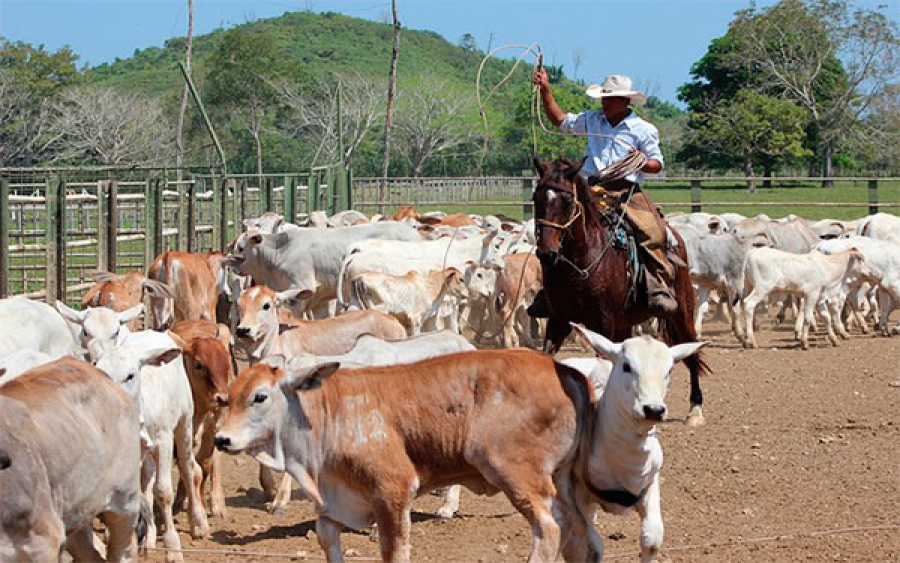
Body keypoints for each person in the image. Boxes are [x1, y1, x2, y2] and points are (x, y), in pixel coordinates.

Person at [527, 69, 678, 317]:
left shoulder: (642, 129)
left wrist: (639, 161)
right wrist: (545, 89)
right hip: (589, 190)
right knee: (558, 228)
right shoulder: (592, 119)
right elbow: (559, 120)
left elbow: (657, 164)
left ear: (626, 101)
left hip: (625, 191)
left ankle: (658, 286)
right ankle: (551, 292)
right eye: (604, 99)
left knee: (653, 231)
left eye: (611, 99)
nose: (605, 103)